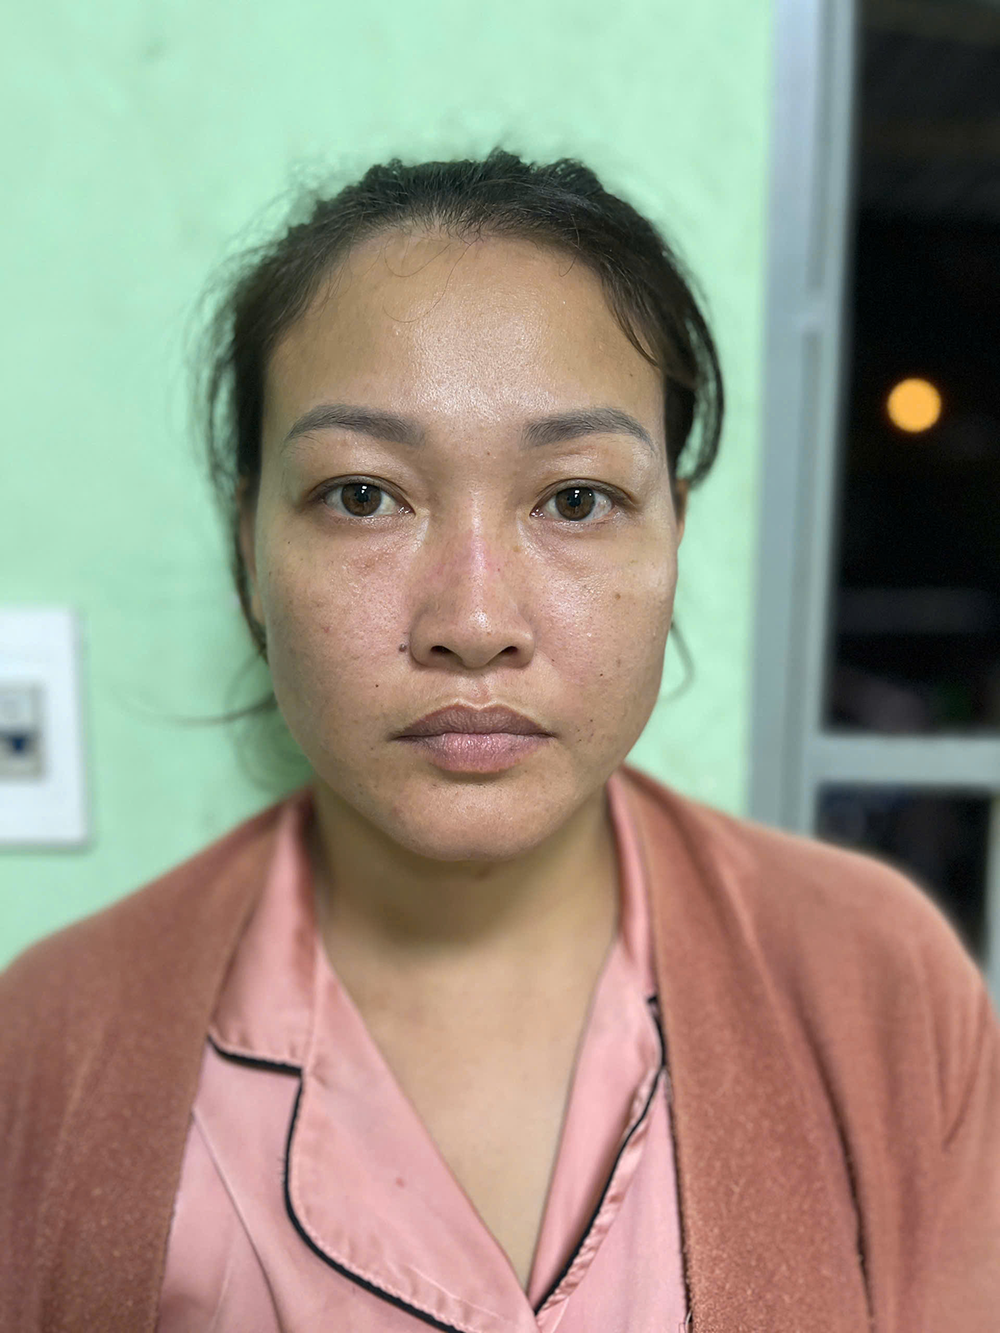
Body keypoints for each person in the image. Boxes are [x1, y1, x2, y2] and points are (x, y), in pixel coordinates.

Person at [2, 150, 998, 1333]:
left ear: (672, 535)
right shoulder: (49, 1048)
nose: (474, 623)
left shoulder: (876, 984)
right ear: (247, 553)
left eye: (575, 498)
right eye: (363, 494)